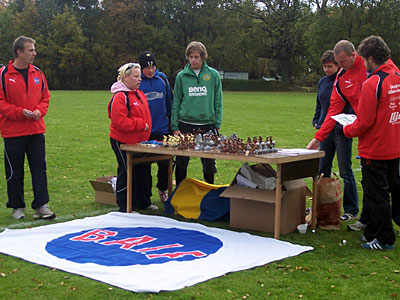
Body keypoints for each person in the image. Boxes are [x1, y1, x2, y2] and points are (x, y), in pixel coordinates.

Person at [343, 35, 400, 250]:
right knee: (387, 191)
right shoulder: (396, 76)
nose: (364, 63)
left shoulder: (372, 83)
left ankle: (385, 239)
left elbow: (364, 121)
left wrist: (347, 129)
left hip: (375, 149)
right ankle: (372, 232)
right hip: (394, 146)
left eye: (365, 59)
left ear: (371, 58)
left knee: (377, 196)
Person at [0, 36, 55, 220]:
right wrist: (19, 112)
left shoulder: (38, 73)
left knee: (39, 169)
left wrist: (39, 111)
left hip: (36, 130)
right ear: (19, 52)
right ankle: (17, 207)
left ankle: (41, 205)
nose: (34, 53)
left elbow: (45, 98)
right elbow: (1, 102)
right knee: (14, 171)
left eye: (34, 50)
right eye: (30, 50)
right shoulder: (3, 74)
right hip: (13, 131)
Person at [307, 41, 363, 222]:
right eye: (324, 67)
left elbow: (350, 107)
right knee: (323, 168)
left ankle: (351, 208)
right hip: (325, 129)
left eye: (330, 66)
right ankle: (320, 203)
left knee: (345, 170)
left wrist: (344, 125)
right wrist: (317, 120)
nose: (326, 70)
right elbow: (322, 105)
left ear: (339, 64)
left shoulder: (346, 79)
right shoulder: (323, 82)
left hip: (341, 131)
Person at [171, 41, 222, 185]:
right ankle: (180, 190)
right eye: (190, 57)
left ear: (203, 57)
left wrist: (217, 123)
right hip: (185, 124)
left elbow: (218, 100)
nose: (193, 60)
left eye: (196, 57)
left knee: (208, 161)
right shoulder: (182, 76)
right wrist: (175, 126)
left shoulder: (213, 75)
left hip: (207, 124)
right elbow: (176, 102)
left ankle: (209, 189)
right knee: (181, 160)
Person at [108, 62, 152, 212]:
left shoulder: (139, 93)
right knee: (127, 171)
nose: (139, 79)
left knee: (141, 170)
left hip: (139, 141)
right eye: (136, 76)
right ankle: (125, 204)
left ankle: (142, 201)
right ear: (125, 77)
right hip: (122, 141)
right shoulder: (120, 97)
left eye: (140, 76)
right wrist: (141, 124)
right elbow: (119, 122)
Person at [135, 51, 173, 207]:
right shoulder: (137, 82)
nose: (150, 71)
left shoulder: (162, 79)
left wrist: (171, 126)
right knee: (143, 166)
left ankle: (163, 189)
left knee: (165, 163)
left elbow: (169, 103)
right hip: (144, 132)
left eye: (153, 67)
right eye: (146, 68)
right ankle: (145, 199)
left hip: (162, 129)